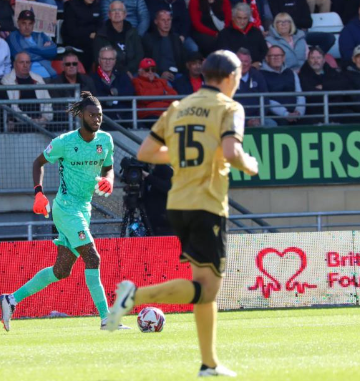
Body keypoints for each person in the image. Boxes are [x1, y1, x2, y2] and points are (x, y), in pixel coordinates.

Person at [105, 50, 258, 379]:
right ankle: (134, 297)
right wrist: (249, 163)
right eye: (238, 79)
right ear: (231, 78)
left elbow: (146, 152)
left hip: (177, 203)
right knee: (208, 290)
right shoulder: (230, 108)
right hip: (207, 203)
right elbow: (232, 152)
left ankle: (209, 364)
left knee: (201, 285)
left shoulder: (178, 107)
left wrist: (188, 152)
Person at [0, 91, 130, 331]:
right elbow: (38, 162)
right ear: (81, 115)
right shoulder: (65, 142)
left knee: (61, 270)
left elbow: (109, 168)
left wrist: (109, 180)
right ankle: (106, 319)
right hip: (66, 207)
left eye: (99, 115)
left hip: (84, 208)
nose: (97, 119)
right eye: (92, 115)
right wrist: (39, 193)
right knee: (93, 257)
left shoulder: (105, 141)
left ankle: (10, 299)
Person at [1, 52, 54, 129]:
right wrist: (30, 121)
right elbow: (13, 107)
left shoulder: (38, 78)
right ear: (15, 64)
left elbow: (47, 102)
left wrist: (45, 118)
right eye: (21, 62)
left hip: (41, 122)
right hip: (20, 123)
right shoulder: (7, 80)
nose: (25, 65)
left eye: (27, 62)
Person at [298, 46, 350, 123]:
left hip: (336, 111)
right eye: (312, 58)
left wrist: (324, 86)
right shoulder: (302, 74)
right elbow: (310, 95)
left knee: (353, 117)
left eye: (318, 58)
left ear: (324, 60)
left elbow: (344, 84)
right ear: (308, 60)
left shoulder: (331, 70)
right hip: (314, 113)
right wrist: (332, 93)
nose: (316, 61)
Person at [93, 1, 145, 77]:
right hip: (111, 73)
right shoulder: (101, 35)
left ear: (125, 15)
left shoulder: (133, 32)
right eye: (114, 10)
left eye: (120, 10)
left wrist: (128, 70)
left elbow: (139, 55)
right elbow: (99, 60)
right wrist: (124, 71)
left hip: (133, 72)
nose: (117, 13)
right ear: (109, 15)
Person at [260, 46, 306, 125]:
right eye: (272, 56)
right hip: (275, 115)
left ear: (284, 57)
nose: (276, 58)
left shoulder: (291, 73)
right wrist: (286, 114)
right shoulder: (260, 75)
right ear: (267, 58)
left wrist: (299, 111)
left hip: (296, 113)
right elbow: (266, 99)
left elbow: (300, 94)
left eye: (279, 55)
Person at [91, 46, 136, 125]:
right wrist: (112, 99)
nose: (107, 62)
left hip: (124, 117)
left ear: (115, 61)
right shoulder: (92, 78)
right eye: (104, 59)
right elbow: (94, 96)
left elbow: (130, 92)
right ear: (99, 60)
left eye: (111, 59)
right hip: (103, 120)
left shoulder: (123, 76)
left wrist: (115, 92)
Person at [7, 10, 58, 79]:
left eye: (30, 23)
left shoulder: (41, 35)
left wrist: (31, 49)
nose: (27, 27)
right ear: (18, 23)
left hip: (49, 76)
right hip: (28, 79)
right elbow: (20, 56)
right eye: (24, 23)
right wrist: (43, 51)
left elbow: (53, 51)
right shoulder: (13, 37)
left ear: (33, 24)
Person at [216, 3, 268, 67]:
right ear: (233, 17)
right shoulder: (224, 34)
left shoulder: (256, 32)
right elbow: (223, 55)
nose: (242, 22)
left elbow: (264, 50)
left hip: (257, 68)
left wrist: (259, 62)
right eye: (239, 18)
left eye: (245, 18)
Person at [142, 10, 186, 82]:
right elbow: (147, 61)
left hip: (177, 74)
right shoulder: (148, 39)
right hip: (157, 75)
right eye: (163, 20)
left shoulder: (176, 39)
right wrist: (160, 73)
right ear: (156, 21)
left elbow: (183, 59)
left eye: (169, 20)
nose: (166, 23)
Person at [234, 47, 273, 127]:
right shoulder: (227, 78)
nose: (243, 64)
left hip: (257, 117)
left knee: (272, 124)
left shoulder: (257, 75)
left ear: (250, 63)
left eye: (246, 61)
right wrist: (246, 121)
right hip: (234, 119)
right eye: (240, 61)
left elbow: (265, 100)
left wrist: (258, 118)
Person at [132, 57, 178, 122]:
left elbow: (174, 96)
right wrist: (163, 93)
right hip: (149, 115)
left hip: (166, 113)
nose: (150, 72)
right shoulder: (136, 81)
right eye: (147, 70)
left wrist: (155, 97)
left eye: (153, 70)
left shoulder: (162, 81)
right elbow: (144, 98)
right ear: (140, 71)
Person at [62, 0, 103, 71]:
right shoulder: (70, 6)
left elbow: (101, 26)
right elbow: (71, 30)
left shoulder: (97, 6)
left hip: (94, 39)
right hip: (75, 40)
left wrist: (95, 34)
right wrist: (89, 34)